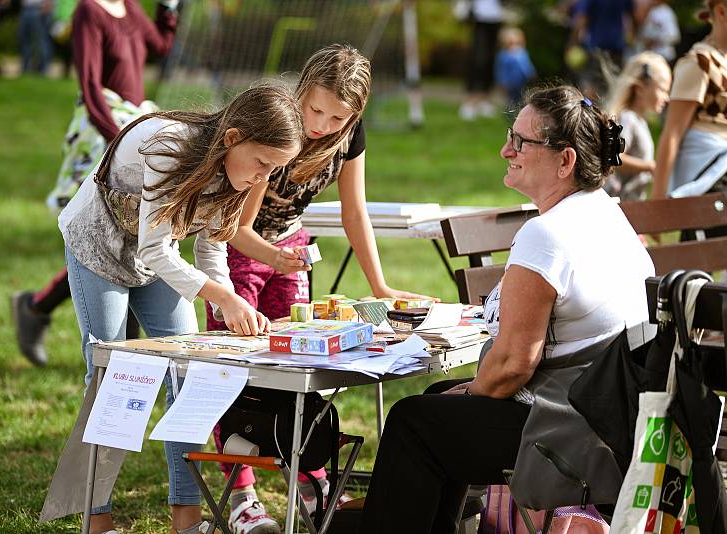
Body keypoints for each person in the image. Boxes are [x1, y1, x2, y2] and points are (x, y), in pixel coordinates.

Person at [360, 85, 655, 533]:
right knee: (434, 407)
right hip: (610, 420)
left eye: (520, 142)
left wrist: (474, 391)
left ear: (565, 160)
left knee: (410, 423)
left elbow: (515, 363)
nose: (505, 150)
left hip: (565, 432)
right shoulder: (610, 217)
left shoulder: (548, 234)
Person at [205, 43, 433, 534]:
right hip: (239, 247)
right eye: (316, 109)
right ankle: (242, 496)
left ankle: (311, 481)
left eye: (337, 117)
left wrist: (381, 285)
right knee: (236, 369)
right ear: (301, 92)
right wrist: (272, 258)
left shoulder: (348, 137)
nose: (322, 124)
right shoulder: (278, 124)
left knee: (306, 364)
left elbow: (355, 212)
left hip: (290, 248)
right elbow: (240, 227)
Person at [60, 83, 303, 534]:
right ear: (232, 137)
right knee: (113, 377)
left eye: (275, 169)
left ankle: (186, 518)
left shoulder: (241, 171)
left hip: (155, 264)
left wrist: (230, 299)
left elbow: (212, 248)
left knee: (191, 376)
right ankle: (97, 520)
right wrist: (223, 297)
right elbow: (157, 249)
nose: (263, 178)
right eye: (263, 164)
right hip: (99, 250)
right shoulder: (170, 148)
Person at [11, 0, 179, 366]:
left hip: (133, 131)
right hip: (106, 138)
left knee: (130, 245)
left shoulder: (131, 9)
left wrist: (168, 11)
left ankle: (37, 308)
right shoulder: (89, 10)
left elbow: (160, 47)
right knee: (100, 243)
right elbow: (89, 86)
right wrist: (118, 144)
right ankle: (43, 311)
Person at [652, 0, 727, 241]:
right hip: (709, 178)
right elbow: (672, 132)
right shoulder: (699, 62)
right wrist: (658, 203)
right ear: (721, 11)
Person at [603, 51, 671, 200]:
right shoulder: (628, 119)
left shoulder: (640, 122)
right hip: (620, 203)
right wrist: (650, 167)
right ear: (640, 89)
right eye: (663, 90)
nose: (667, 98)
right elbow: (615, 157)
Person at [459, 0, 503, 120]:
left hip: (495, 18)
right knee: (477, 60)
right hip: (479, 19)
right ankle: (469, 102)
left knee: (491, 61)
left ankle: (485, 100)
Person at [494, 27, 536, 108]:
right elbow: (501, 70)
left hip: (521, 81)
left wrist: (531, 73)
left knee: (521, 99)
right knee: (511, 100)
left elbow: (526, 65)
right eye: (510, 42)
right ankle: (510, 115)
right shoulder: (503, 55)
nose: (513, 45)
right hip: (510, 83)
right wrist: (501, 82)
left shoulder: (522, 53)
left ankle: (520, 114)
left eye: (516, 42)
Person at [17, 0, 53, 75]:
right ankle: (26, 68)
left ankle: (44, 70)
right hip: (25, 9)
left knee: (42, 40)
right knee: (23, 39)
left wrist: (47, 6)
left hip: (39, 9)